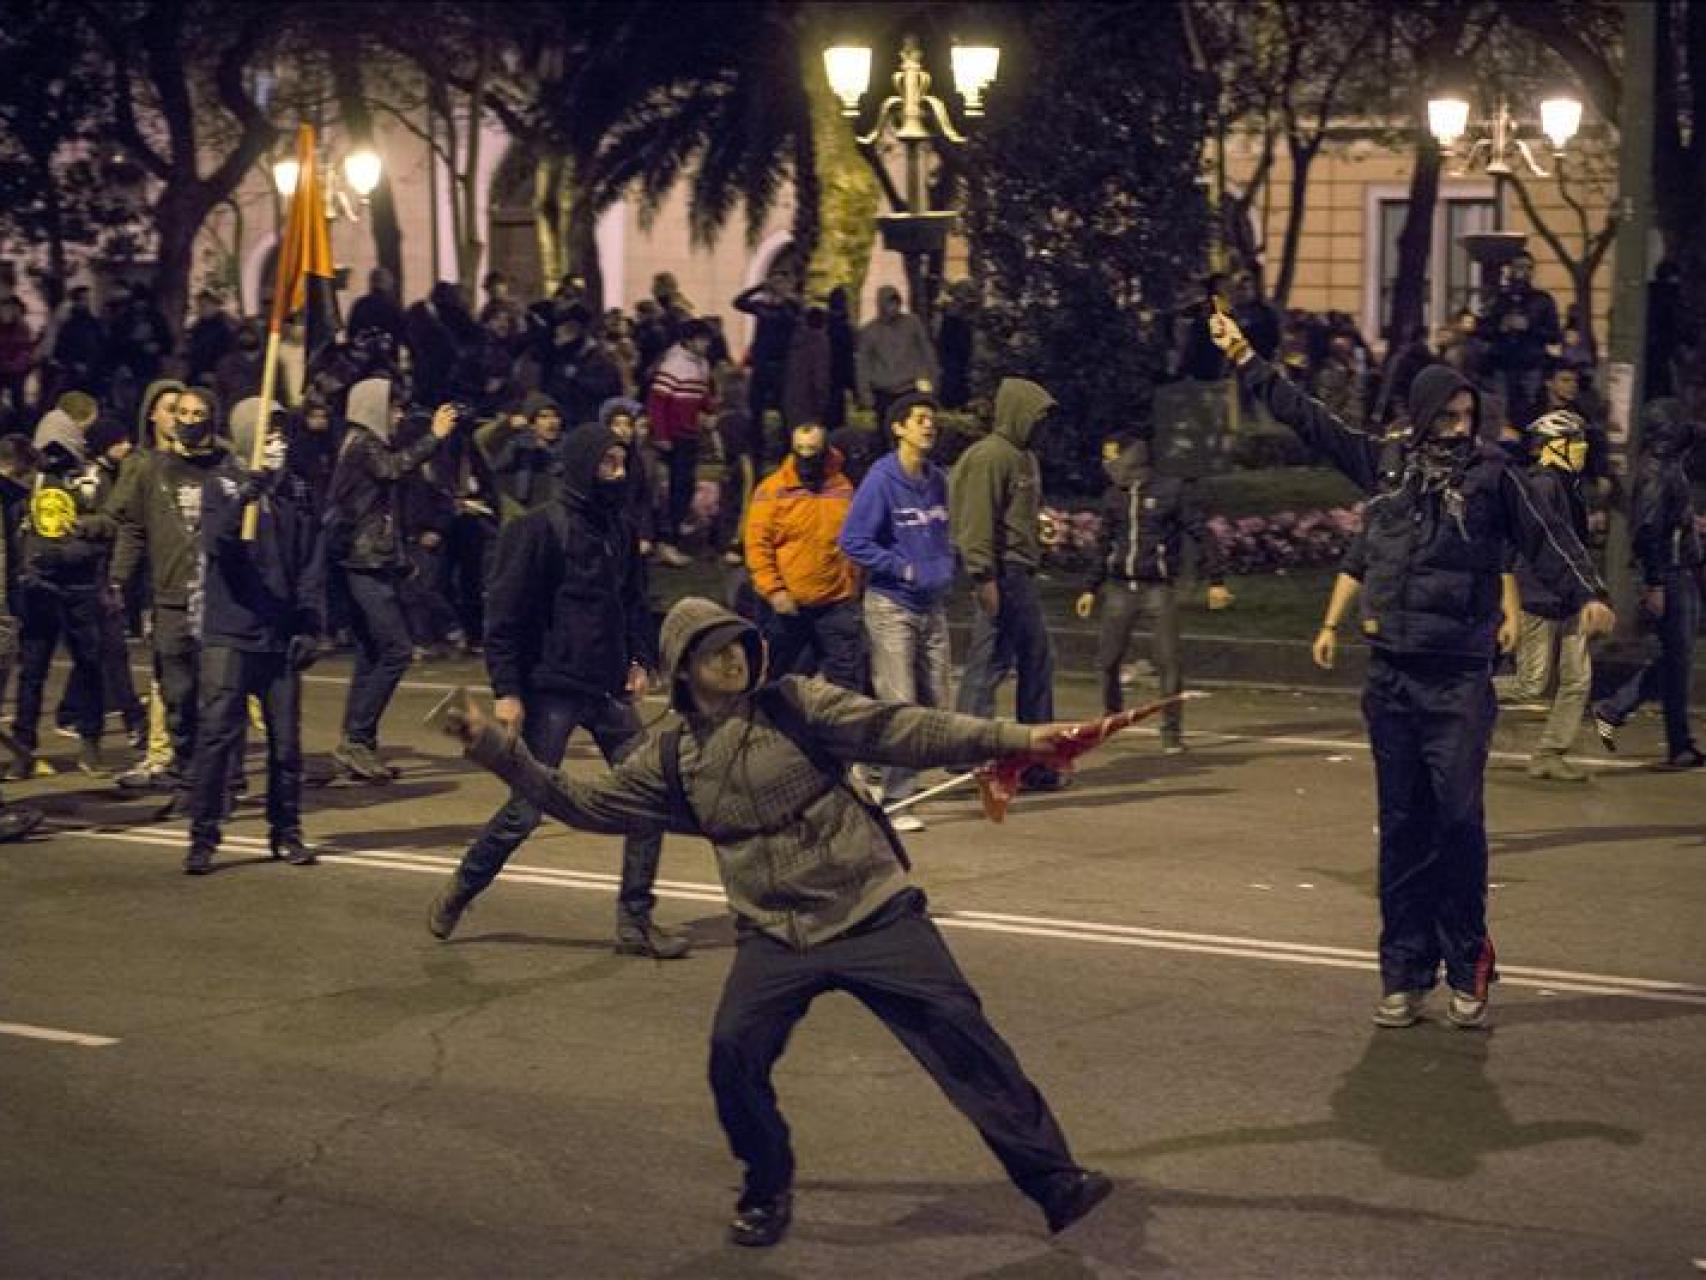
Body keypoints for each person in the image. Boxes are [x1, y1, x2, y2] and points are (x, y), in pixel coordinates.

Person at [439, 594, 1114, 1247]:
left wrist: (1021, 738)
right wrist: (496, 747)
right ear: (682, 668)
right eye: (711, 651)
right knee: (733, 1057)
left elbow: (904, 729)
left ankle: (1055, 1183)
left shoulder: (797, 703)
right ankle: (766, 1186)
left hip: (873, 912)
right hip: (777, 935)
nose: (731, 658)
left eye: (737, 642)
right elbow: (583, 803)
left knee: (965, 1041)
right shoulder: (669, 755)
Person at [1209, 308, 1614, 1030]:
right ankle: (1402, 973)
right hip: (1392, 675)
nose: (1460, 426)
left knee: (1457, 823)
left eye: (1468, 414)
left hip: (1458, 675)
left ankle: (1468, 964)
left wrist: (1589, 593)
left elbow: (1547, 536)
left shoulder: (1496, 475)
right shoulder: (1387, 465)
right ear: (1424, 414)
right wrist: (1245, 357)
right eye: (1449, 415)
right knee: (1402, 828)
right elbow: (1311, 419)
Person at [429, 423, 689, 958]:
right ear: (581, 465)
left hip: (608, 688)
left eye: (622, 463)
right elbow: (503, 616)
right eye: (607, 464)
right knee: (528, 806)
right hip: (551, 689)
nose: (618, 474)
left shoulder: (619, 528)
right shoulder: (537, 530)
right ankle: (462, 889)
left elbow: (635, 601)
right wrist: (507, 690)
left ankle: (635, 922)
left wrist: (640, 658)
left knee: (650, 797)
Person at [184, 401, 325, 875]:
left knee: (286, 745)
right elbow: (217, 544)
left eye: (283, 433)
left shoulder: (297, 492)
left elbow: (309, 560)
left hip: (279, 636)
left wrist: (309, 621)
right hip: (230, 632)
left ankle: (286, 831)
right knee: (218, 738)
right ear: (247, 436)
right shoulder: (220, 484)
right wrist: (247, 494)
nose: (277, 443)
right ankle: (204, 835)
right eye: (269, 433)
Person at [107, 387, 234, 806]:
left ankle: (220, 783)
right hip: (171, 600)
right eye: (182, 412)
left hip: (219, 602)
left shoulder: (227, 467)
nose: (190, 419)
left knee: (218, 697)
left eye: (199, 413)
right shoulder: (151, 469)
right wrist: (118, 580)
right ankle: (186, 776)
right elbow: (133, 529)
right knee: (178, 698)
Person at [325, 378, 454, 781]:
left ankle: (356, 743)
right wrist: (434, 436)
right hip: (362, 562)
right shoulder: (362, 443)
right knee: (396, 650)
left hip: (370, 560)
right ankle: (356, 740)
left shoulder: (361, 442)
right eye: (393, 408)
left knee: (371, 654)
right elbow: (393, 468)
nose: (398, 416)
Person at [836, 392, 955, 829]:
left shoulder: (937, 479)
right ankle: (897, 801)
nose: (929, 426)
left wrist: (944, 568)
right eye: (920, 419)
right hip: (892, 606)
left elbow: (942, 535)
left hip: (932, 604)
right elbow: (852, 540)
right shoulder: (881, 480)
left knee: (938, 702)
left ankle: (866, 763)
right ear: (898, 428)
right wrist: (904, 569)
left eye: (932, 420)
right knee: (900, 703)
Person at [1076, 436, 1231, 751]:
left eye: (1111, 458)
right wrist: (1090, 587)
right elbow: (1104, 543)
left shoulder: (1170, 492)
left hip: (1157, 588)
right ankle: (1111, 716)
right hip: (1120, 587)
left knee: (1168, 661)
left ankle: (1171, 731)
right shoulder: (1113, 497)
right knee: (1107, 660)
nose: (1106, 466)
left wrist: (1217, 580)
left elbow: (1201, 533)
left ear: (1129, 459)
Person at [949, 378, 1064, 789]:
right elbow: (976, 521)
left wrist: (1040, 528)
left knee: (1010, 661)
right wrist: (983, 577)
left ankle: (990, 755)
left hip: (1018, 568)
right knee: (1008, 661)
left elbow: (1017, 513)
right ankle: (991, 756)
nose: (1042, 426)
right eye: (1037, 417)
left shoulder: (1024, 458)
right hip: (1003, 572)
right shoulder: (990, 457)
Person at [1592, 400, 1703, 769]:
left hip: (1674, 571)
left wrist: (1691, 524)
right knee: (1678, 660)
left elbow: (1663, 520)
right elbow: (1649, 531)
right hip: (1670, 574)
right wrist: (1654, 583)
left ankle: (1618, 709)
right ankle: (1676, 743)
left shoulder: (1665, 466)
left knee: (1675, 658)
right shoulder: (1656, 471)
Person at [1501, 410, 1597, 781]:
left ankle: (1550, 753)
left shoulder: (1567, 484)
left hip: (1570, 595)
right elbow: (1536, 544)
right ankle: (1456, 697)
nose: (1581, 449)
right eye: (1573, 442)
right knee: (1531, 683)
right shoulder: (1541, 485)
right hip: (1540, 594)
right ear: (1552, 447)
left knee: (1577, 678)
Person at [744, 421, 863, 689]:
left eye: (813, 450)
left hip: (836, 602)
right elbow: (757, 546)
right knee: (778, 676)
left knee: (846, 680)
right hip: (788, 605)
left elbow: (855, 538)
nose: (806, 458)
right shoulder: (772, 491)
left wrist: (853, 584)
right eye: (800, 450)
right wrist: (774, 591)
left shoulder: (843, 487)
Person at [645, 319, 715, 566]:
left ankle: (675, 533)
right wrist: (661, 435)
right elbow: (657, 403)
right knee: (673, 487)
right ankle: (666, 539)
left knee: (684, 487)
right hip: (675, 437)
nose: (706, 344)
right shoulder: (674, 365)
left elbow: (701, 394)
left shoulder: (701, 365)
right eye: (702, 339)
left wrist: (709, 410)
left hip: (689, 434)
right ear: (689, 340)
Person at [1477, 251, 1561, 431]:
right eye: (1520, 267)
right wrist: (1501, 326)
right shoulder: (1499, 299)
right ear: (1510, 270)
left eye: (1529, 268)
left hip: (1531, 364)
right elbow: (1482, 329)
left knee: (1530, 409)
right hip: (1503, 364)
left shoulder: (1542, 300)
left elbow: (1554, 334)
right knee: (1502, 409)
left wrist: (1529, 327)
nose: (1524, 272)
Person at [856, 286, 937, 427]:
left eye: (895, 303)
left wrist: (931, 380)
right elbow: (863, 365)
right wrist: (865, 394)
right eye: (888, 303)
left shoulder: (912, 324)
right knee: (886, 431)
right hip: (883, 392)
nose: (892, 308)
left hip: (911, 388)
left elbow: (927, 352)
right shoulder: (870, 331)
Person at [732, 267, 800, 430]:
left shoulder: (790, 308)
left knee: (783, 406)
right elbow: (738, 303)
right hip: (761, 362)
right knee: (756, 406)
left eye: (781, 283)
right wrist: (759, 288)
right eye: (775, 283)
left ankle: (785, 440)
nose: (778, 286)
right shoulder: (762, 306)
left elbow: (799, 314)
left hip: (780, 363)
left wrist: (786, 297)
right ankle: (757, 445)